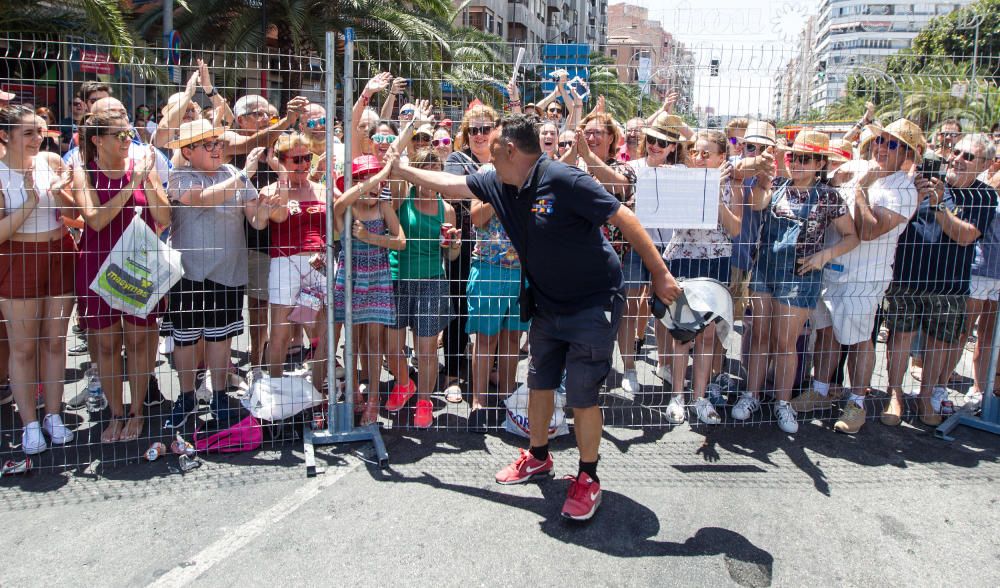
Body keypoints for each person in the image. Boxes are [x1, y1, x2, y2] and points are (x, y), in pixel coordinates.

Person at [390, 113, 681, 521]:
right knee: (540, 382)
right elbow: (454, 184)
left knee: (581, 393)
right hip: (546, 301)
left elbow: (623, 217)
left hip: (593, 300)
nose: (485, 159)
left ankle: (587, 477)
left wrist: (660, 274)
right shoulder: (498, 180)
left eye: (491, 149)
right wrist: (403, 168)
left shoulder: (564, 179)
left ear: (509, 149)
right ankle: (538, 456)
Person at [793, 119, 923, 434]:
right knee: (827, 333)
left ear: (907, 153)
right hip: (830, 268)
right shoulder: (859, 165)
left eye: (891, 144)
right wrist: (838, 176)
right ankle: (821, 389)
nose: (880, 147)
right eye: (879, 139)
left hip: (864, 277)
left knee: (860, 340)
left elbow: (867, 230)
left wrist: (862, 186)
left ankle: (857, 403)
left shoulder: (904, 190)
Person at [742, 130, 859, 434]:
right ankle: (750, 395)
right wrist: (765, 172)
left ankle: (783, 403)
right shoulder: (778, 186)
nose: (799, 164)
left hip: (800, 276)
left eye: (807, 159)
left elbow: (852, 236)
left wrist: (824, 256)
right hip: (765, 270)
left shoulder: (830, 197)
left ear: (820, 163)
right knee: (759, 336)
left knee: (784, 342)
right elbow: (755, 204)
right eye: (796, 157)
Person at [163, 120, 274, 429]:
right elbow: (202, 198)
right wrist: (243, 175)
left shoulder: (234, 176)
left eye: (219, 143)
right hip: (188, 272)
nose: (217, 149)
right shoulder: (179, 175)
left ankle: (220, 394)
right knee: (185, 338)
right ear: (188, 151)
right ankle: (186, 396)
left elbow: (256, 222)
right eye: (209, 145)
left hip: (228, 271)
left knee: (220, 335)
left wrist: (266, 208)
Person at [882, 134, 998, 427]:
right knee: (900, 337)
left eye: (967, 156)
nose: (956, 159)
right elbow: (894, 221)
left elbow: (966, 235)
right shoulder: (915, 182)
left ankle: (925, 397)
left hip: (950, 283)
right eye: (954, 152)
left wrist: (937, 205)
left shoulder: (984, 195)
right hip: (908, 275)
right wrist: (915, 197)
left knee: (939, 343)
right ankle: (894, 395)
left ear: (984, 164)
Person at [72, 111, 172, 442]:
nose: (127, 140)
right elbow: (96, 219)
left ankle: (137, 411)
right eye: (119, 135)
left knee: (140, 339)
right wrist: (132, 184)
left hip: (138, 265)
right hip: (97, 263)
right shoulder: (84, 171)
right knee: (105, 342)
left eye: (129, 134)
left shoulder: (143, 166)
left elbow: (164, 216)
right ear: (97, 140)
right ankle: (115, 414)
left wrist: (147, 181)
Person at [0, 105, 77, 455]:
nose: (37, 138)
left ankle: (54, 415)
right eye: (28, 132)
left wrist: (62, 192)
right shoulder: (1, 174)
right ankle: (29, 422)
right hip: (18, 258)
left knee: (55, 341)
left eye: (40, 131)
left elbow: (74, 214)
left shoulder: (50, 162)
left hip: (59, 254)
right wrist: (30, 201)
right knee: (24, 346)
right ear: (6, 135)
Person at [662, 130, 742, 425]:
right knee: (683, 333)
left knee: (708, 335)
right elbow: (677, 216)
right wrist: (703, 188)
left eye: (706, 154)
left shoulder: (732, 186)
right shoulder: (681, 180)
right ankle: (676, 397)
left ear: (722, 158)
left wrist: (716, 196)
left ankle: (700, 397)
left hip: (716, 261)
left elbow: (734, 229)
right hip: (684, 258)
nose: (698, 158)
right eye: (694, 152)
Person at [385, 148, 460, 428]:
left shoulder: (447, 208)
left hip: (431, 281)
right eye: (424, 172)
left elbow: (450, 257)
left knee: (426, 351)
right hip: (398, 278)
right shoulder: (402, 198)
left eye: (434, 172)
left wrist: (453, 245)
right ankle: (404, 384)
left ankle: (425, 401)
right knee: (392, 348)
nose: (429, 181)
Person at [567, 111, 639, 393]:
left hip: (614, 257)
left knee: (620, 315)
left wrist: (589, 157)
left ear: (612, 138)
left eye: (598, 132)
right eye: (588, 132)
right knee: (585, 317)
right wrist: (575, 153)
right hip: (578, 256)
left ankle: (629, 368)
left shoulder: (624, 167)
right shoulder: (575, 167)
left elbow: (618, 186)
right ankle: (585, 371)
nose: (593, 137)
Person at [333, 155, 405, 418]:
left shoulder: (383, 207)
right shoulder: (346, 208)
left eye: (376, 181)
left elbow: (400, 241)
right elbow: (339, 204)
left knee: (374, 341)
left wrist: (370, 237)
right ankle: (353, 393)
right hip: (351, 279)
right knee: (351, 339)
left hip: (377, 277)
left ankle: (373, 399)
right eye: (365, 180)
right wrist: (377, 175)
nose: (373, 187)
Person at [261, 133, 330, 391]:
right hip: (284, 262)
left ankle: (318, 387)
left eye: (307, 158)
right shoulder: (271, 190)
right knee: (279, 331)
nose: (303, 165)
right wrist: (281, 177)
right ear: (281, 161)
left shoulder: (322, 188)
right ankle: (275, 389)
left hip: (319, 262)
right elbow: (273, 219)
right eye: (296, 160)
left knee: (322, 331)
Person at [440, 103, 498, 402]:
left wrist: (475, 186)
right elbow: (452, 191)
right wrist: (494, 185)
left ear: (495, 131)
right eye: (473, 130)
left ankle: (491, 371)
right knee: (458, 307)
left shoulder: (504, 160)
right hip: (463, 245)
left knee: (497, 309)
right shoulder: (456, 159)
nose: (479, 135)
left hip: (500, 249)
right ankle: (452, 373)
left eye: (485, 129)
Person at [628, 112, 689, 383]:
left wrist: (680, 125)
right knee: (632, 302)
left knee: (663, 305)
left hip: (668, 247)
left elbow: (702, 143)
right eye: (652, 139)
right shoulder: (634, 166)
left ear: (673, 147)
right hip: (636, 243)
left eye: (663, 143)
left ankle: (664, 362)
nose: (655, 146)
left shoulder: (682, 172)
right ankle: (630, 358)